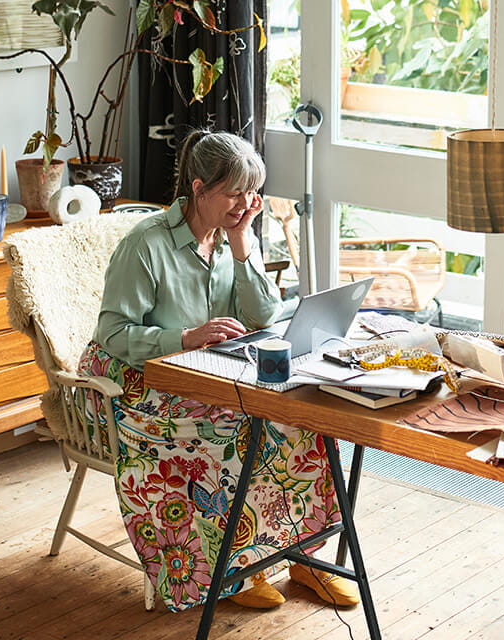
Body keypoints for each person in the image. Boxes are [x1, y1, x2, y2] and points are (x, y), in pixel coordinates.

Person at [80, 130, 358, 613]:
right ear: (198, 187)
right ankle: (236, 569)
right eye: (235, 192)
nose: (247, 202)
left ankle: (302, 557)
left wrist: (240, 241)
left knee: (307, 422)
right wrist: (183, 338)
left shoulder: (230, 238)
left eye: (253, 192)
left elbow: (265, 315)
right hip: (138, 383)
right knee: (239, 433)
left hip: (206, 375)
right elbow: (112, 332)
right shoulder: (145, 246)